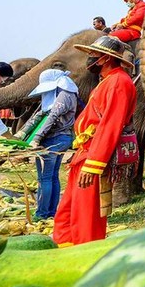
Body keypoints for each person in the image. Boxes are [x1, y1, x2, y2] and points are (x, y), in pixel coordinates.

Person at [52, 36, 137, 246]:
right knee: (67, 210)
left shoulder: (119, 82)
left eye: (93, 55)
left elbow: (111, 124)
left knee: (86, 215)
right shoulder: (107, 81)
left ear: (105, 59)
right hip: (83, 152)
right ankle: (64, 253)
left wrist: (94, 165)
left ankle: (84, 259)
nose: (90, 59)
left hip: (92, 157)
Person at [15, 69, 79, 220]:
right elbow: (40, 114)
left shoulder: (64, 95)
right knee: (52, 176)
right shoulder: (60, 93)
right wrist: (22, 133)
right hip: (60, 139)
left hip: (54, 140)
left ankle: (42, 213)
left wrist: (37, 137)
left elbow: (52, 116)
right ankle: (51, 212)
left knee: (45, 178)